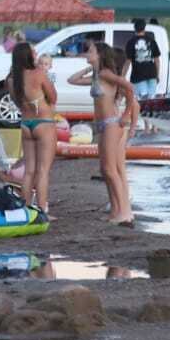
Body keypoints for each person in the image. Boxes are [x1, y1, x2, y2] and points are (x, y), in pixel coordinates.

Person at [68, 42, 137, 226]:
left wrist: (126, 114)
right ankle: (117, 210)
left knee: (110, 169)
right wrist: (88, 68)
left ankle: (124, 212)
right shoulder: (97, 76)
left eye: (90, 51)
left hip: (112, 124)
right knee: (106, 170)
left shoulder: (106, 74)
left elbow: (130, 88)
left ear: (100, 54)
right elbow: (72, 80)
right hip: (102, 125)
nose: (86, 53)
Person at [9, 42, 58, 216]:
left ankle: (24, 208)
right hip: (43, 122)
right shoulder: (39, 74)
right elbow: (53, 96)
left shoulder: (11, 79)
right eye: (33, 51)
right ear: (27, 56)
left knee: (29, 171)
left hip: (26, 124)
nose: (36, 52)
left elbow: (18, 104)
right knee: (43, 170)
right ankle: (42, 209)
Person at [124, 19, 162, 100]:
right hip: (152, 74)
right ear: (144, 28)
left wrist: (122, 76)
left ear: (134, 28)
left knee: (141, 101)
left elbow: (128, 62)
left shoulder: (131, 42)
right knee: (151, 101)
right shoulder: (152, 41)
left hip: (138, 76)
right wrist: (157, 75)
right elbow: (157, 60)